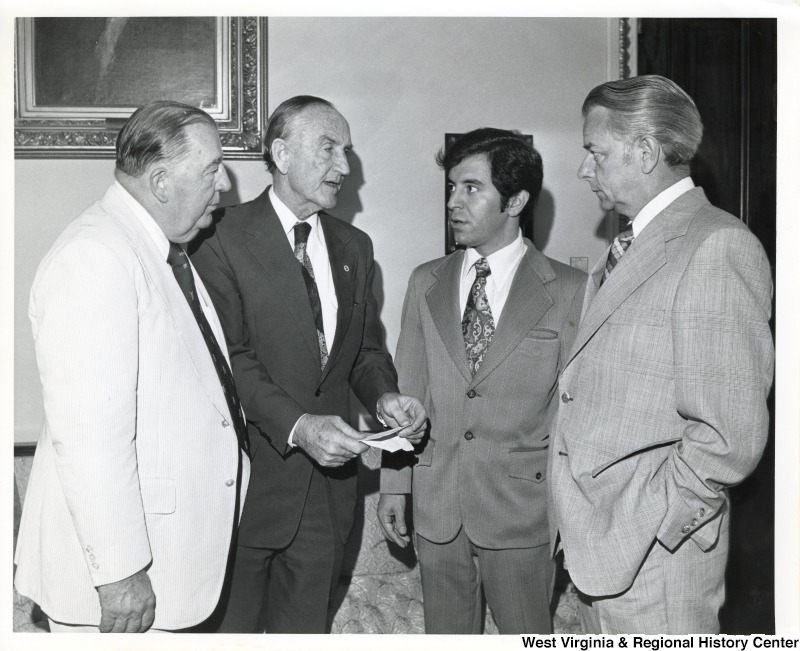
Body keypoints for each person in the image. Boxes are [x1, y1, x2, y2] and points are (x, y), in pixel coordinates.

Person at [190, 95, 427, 634]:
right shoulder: (218, 235)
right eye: (328, 149)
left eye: (346, 151)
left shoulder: (355, 246)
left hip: (327, 502)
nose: (344, 167)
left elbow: (365, 352)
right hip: (246, 494)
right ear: (281, 152)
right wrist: (299, 426)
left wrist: (386, 397)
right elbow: (230, 361)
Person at [548, 75, 774, 633]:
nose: (584, 169)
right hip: (593, 553)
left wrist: (649, 526)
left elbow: (729, 435)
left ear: (645, 151)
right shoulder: (622, 251)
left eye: (594, 152)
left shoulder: (716, 245)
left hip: (654, 563)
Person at [14, 101, 251, 632]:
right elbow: (90, 437)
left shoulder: (161, 251)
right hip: (121, 590)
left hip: (173, 566)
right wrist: (120, 574)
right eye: (212, 169)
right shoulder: (96, 255)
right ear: (161, 181)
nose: (224, 186)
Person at [378, 128, 586, 634]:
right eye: (451, 188)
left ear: (515, 200)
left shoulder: (571, 290)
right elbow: (409, 389)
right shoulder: (425, 280)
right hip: (437, 506)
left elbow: (575, 412)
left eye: (471, 188)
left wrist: (571, 513)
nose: (454, 202)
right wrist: (394, 484)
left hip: (522, 511)